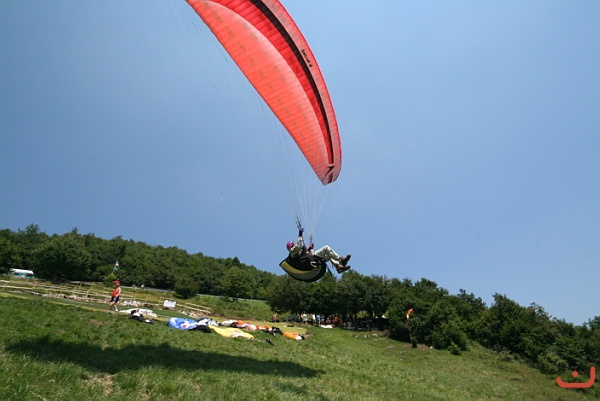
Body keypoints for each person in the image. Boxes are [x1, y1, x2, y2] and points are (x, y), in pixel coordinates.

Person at [279, 227, 351, 282]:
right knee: (326, 248)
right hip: (312, 264)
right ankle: (340, 260)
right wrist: (300, 234)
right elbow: (299, 245)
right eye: (294, 244)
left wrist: (310, 249)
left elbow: (308, 255)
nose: (295, 244)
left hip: (313, 263)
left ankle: (338, 266)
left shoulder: (299, 252)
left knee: (328, 254)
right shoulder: (293, 253)